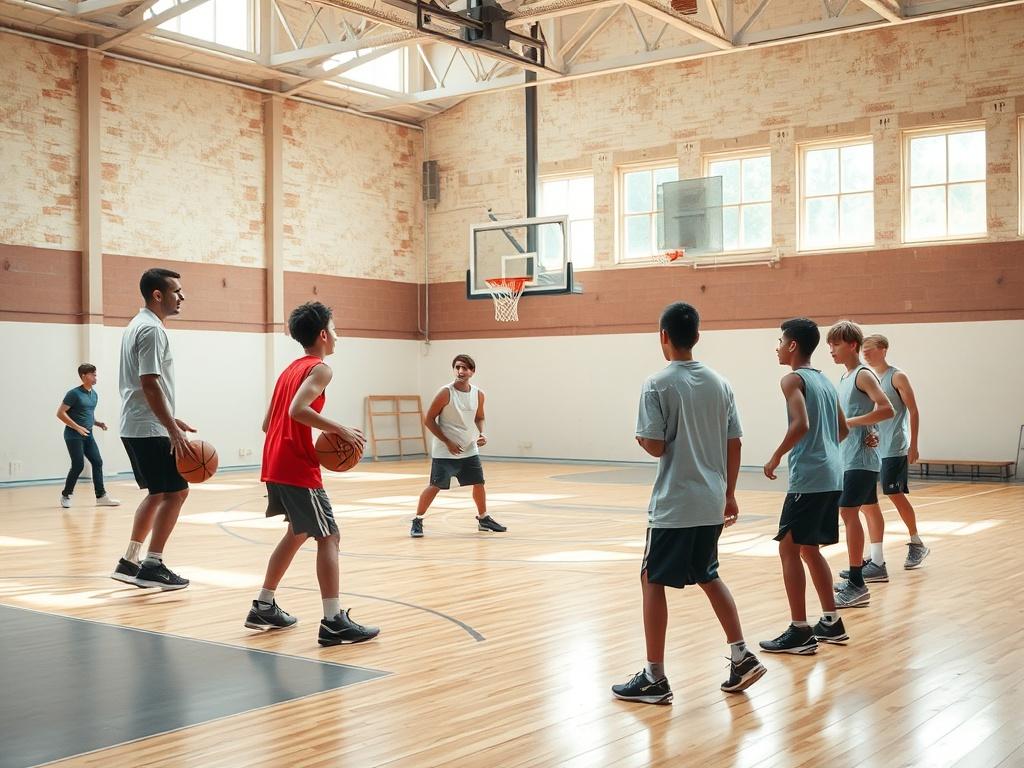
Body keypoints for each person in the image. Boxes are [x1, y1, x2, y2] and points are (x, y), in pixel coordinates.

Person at [612, 302, 766, 704]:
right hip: (711, 499)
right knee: (707, 573)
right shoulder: (720, 383)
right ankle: (740, 655)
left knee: (651, 579)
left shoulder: (657, 383)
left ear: (663, 336)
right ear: (696, 336)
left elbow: (656, 445)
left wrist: (641, 437)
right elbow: (735, 442)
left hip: (675, 504)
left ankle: (654, 677)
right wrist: (730, 493)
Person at [244, 301, 379, 646]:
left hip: (274, 462)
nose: (337, 336)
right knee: (329, 536)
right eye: (334, 329)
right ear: (322, 334)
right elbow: (297, 410)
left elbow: (267, 423)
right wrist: (342, 430)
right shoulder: (320, 369)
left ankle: (263, 605)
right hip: (296, 467)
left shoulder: (290, 370)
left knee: (297, 532)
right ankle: (333, 621)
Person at [760, 318, 849, 655]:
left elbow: (801, 424)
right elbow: (842, 429)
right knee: (809, 549)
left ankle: (800, 630)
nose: (778, 347)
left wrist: (775, 457)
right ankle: (831, 620)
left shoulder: (791, 379)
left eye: (780, 340)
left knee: (787, 548)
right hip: (832, 475)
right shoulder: (825, 382)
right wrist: (824, 449)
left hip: (809, 478)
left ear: (793, 345)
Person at [110, 268, 198, 591]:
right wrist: (171, 428)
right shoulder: (152, 331)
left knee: (159, 493)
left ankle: (130, 561)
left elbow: (146, 386)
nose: (182, 296)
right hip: (148, 427)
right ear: (158, 295)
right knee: (177, 492)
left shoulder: (137, 325)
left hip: (136, 425)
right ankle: (153, 564)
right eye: (177, 291)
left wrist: (173, 420)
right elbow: (149, 384)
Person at [827, 320, 893, 608]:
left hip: (861, 460)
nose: (831, 350)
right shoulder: (845, 377)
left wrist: (851, 423)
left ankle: (857, 583)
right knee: (857, 512)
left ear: (852, 345)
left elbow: (887, 409)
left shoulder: (863, 375)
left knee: (847, 513)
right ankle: (860, 573)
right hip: (850, 457)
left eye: (836, 344)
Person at [410, 354, 506, 538]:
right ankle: (417, 519)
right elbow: (428, 420)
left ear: (472, 371)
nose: (461, 371)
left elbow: (479, 417)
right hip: (445, 450)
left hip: (469, 448)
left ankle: (483, 519)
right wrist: (447, 442)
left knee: (479, 483)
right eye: (457, 367)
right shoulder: (446, 392)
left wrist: (481, 433)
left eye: (465, 368)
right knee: (435, 486)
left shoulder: (478, 394)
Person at [859, 334, 929, 570]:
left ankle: (916, 542)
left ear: (884, 350)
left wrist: (914, 444)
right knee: (867, 502)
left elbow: (914, 411)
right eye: (863, 350)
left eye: (869, 349)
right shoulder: (867, 378)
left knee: (895, 494)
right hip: (873, 450)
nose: (865, 353)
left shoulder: (896, 376)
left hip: (894, 447)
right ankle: (875, 554)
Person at [57, 363, 120, 509]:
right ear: (84, 376)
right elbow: (60, 413)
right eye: (92, 374)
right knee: (78, 465)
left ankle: (101, 496)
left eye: (96, 374)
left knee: (97, 462)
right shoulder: (73, 394)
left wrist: (98, 423)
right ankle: (66, 495)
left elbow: (87, 414)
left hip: (88, 435)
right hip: (73, 435)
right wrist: (77, 427)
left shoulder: (94, 394)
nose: (95, 377)